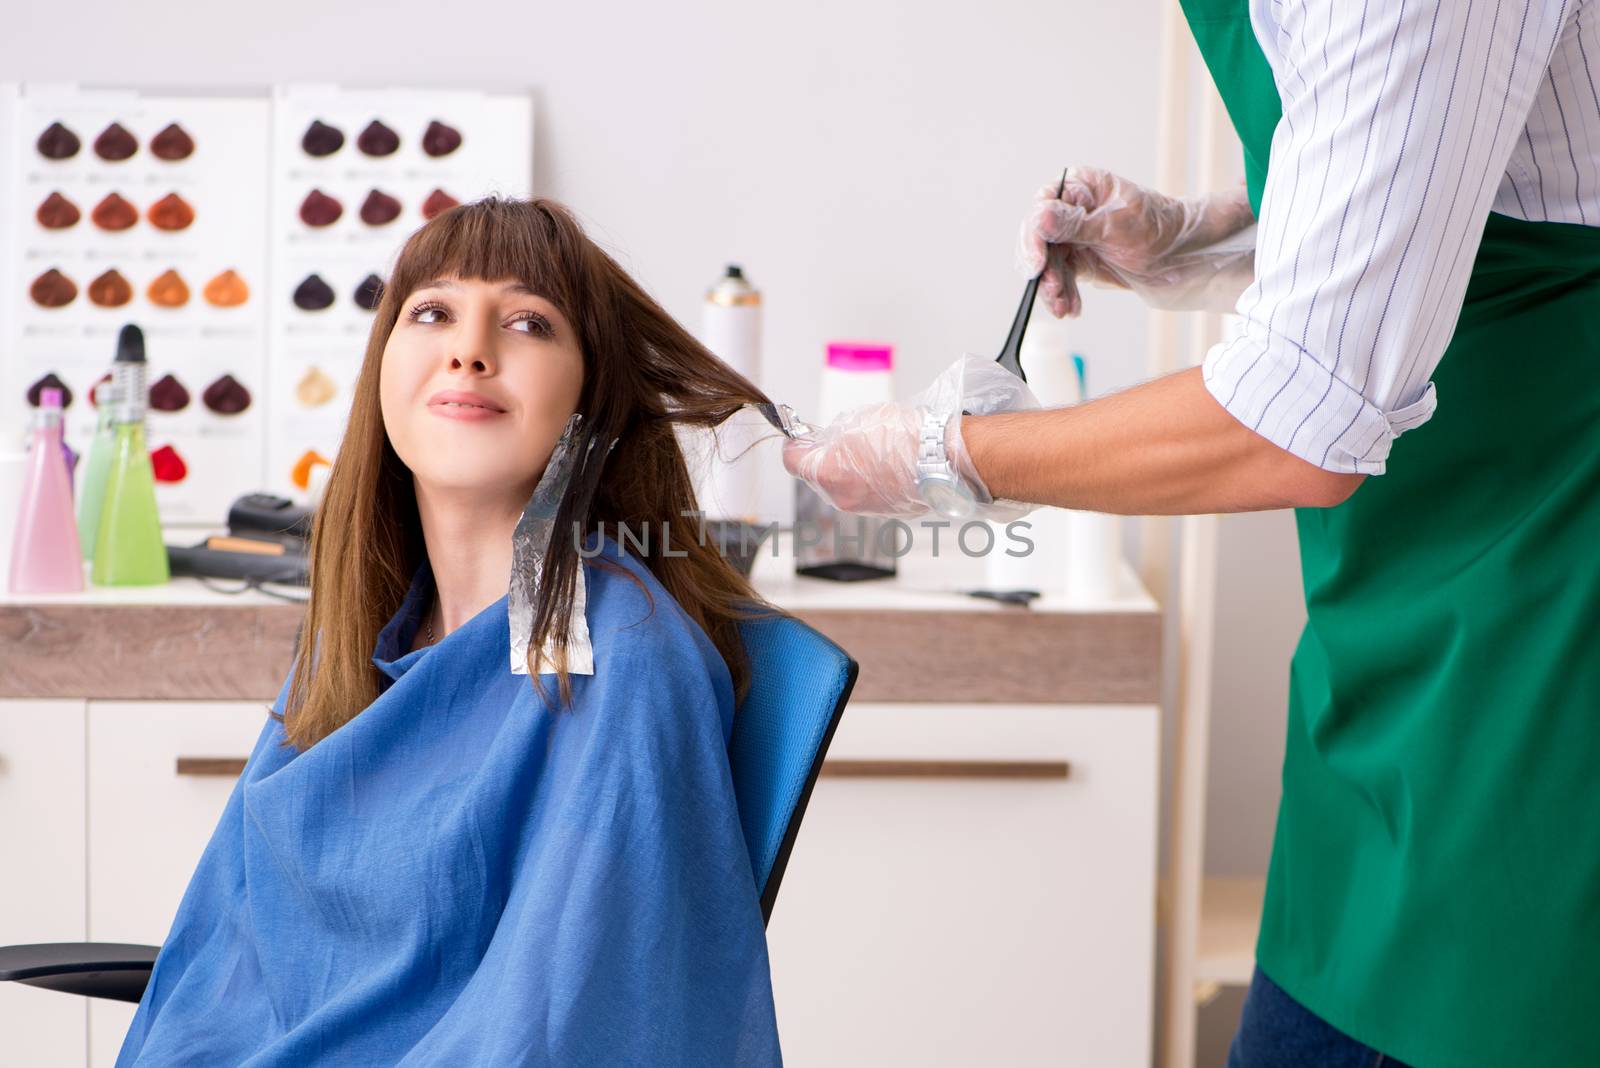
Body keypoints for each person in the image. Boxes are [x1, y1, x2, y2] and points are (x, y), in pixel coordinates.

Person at [784, 2, 1600, 1065]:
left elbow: (1302, 422)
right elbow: (1445, 181)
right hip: (1398, 633)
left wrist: (951, 456)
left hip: (1533, 645)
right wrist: (1206, 239)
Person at [117, 197, 785, 1066]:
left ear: (591, 394)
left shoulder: (623, 658)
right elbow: (227, 948)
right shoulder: (361, 632)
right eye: (432, 312)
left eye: (528, 322)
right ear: (382, 368)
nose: (469, 350)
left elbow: (568, 1015)